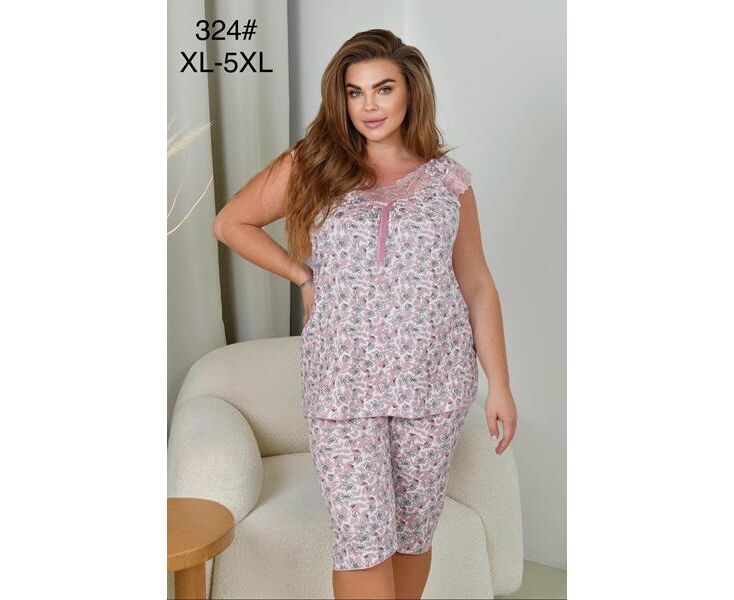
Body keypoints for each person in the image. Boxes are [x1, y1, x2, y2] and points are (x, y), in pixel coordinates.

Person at [213, 28, 517, 600]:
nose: (369, 106)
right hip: (342, 383)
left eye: (383, 89)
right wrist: (302, 275)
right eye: (355, 92)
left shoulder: (448, 183)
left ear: (411, 92)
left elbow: (477, 283)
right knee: (362, 537)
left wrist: (499, 384)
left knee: (413, 532)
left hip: (434, 381)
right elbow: (232, 222)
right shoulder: (312, 164)